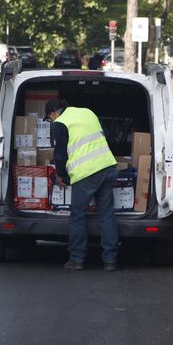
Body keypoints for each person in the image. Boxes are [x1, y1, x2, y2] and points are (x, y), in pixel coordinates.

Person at [44, 98, 119, 271]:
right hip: (107, 166)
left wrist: (61, 175)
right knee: (107, 215)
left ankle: (77, 259)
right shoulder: (87, 112)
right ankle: (110, 261)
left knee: (77, 216)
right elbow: (104, 136)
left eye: (49, 119)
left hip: (86, 174)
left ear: (53, 113)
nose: (51, 122)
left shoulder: (61, 123)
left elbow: (60, 155)